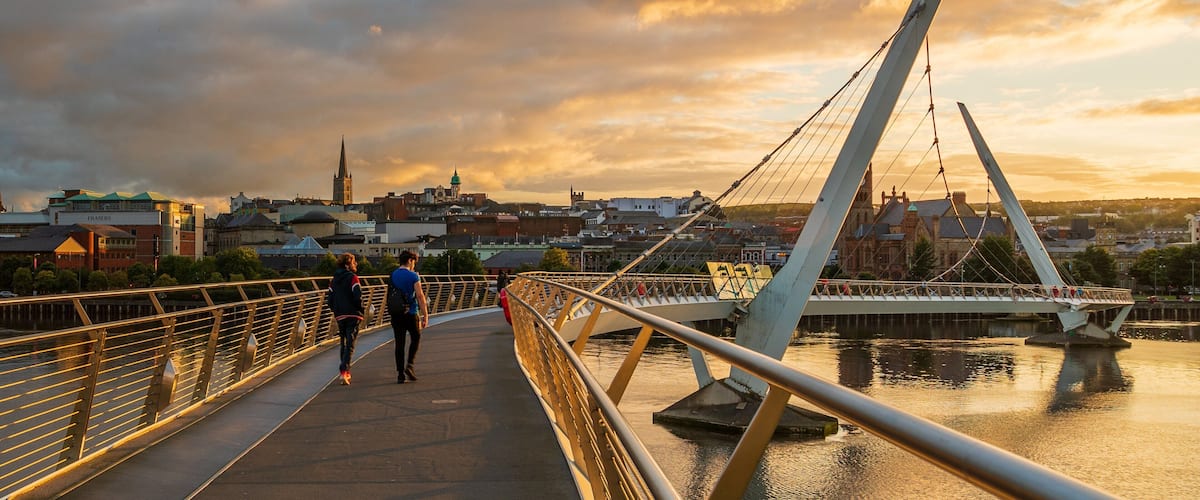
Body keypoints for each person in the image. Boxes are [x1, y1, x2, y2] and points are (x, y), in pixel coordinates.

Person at [389, 250, 429, 384]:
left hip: (396, 314)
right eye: (414, 263)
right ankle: (410, 365)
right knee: (415, 337)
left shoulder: (393, 275)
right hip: (411, 313)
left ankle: (400, 374)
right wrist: (425, 315)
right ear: (410, 261)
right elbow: (420, 296)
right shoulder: (413, 276)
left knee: (399, 343)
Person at [327, 253, 364, 385]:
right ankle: (344, 370)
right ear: (348, 265)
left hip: (340, 315)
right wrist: (361, 309)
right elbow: (357, 296)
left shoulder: (334, 280)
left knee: (343, 342)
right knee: (350, 343)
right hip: (353, 314)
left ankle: (344, 372)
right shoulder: (353, 278)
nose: (356, 264)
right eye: (354, 262)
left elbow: (329, 299)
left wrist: (336, 310)